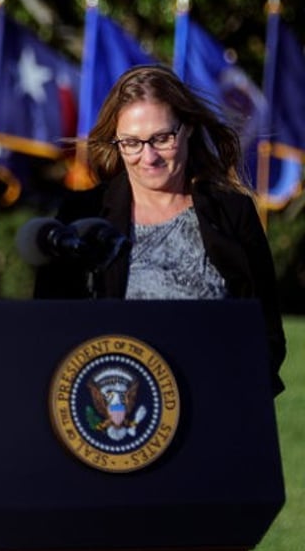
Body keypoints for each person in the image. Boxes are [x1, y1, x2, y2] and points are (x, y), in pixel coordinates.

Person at [33, 64, 286, 395]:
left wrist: (236, 397)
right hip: (114, 418)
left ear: (189, 129)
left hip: (215, 410)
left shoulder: (231, 212)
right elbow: (48, 332)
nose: (148, 156)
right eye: (131, 143)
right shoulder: (81, 216)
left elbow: (266, 333)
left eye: (161, 138)